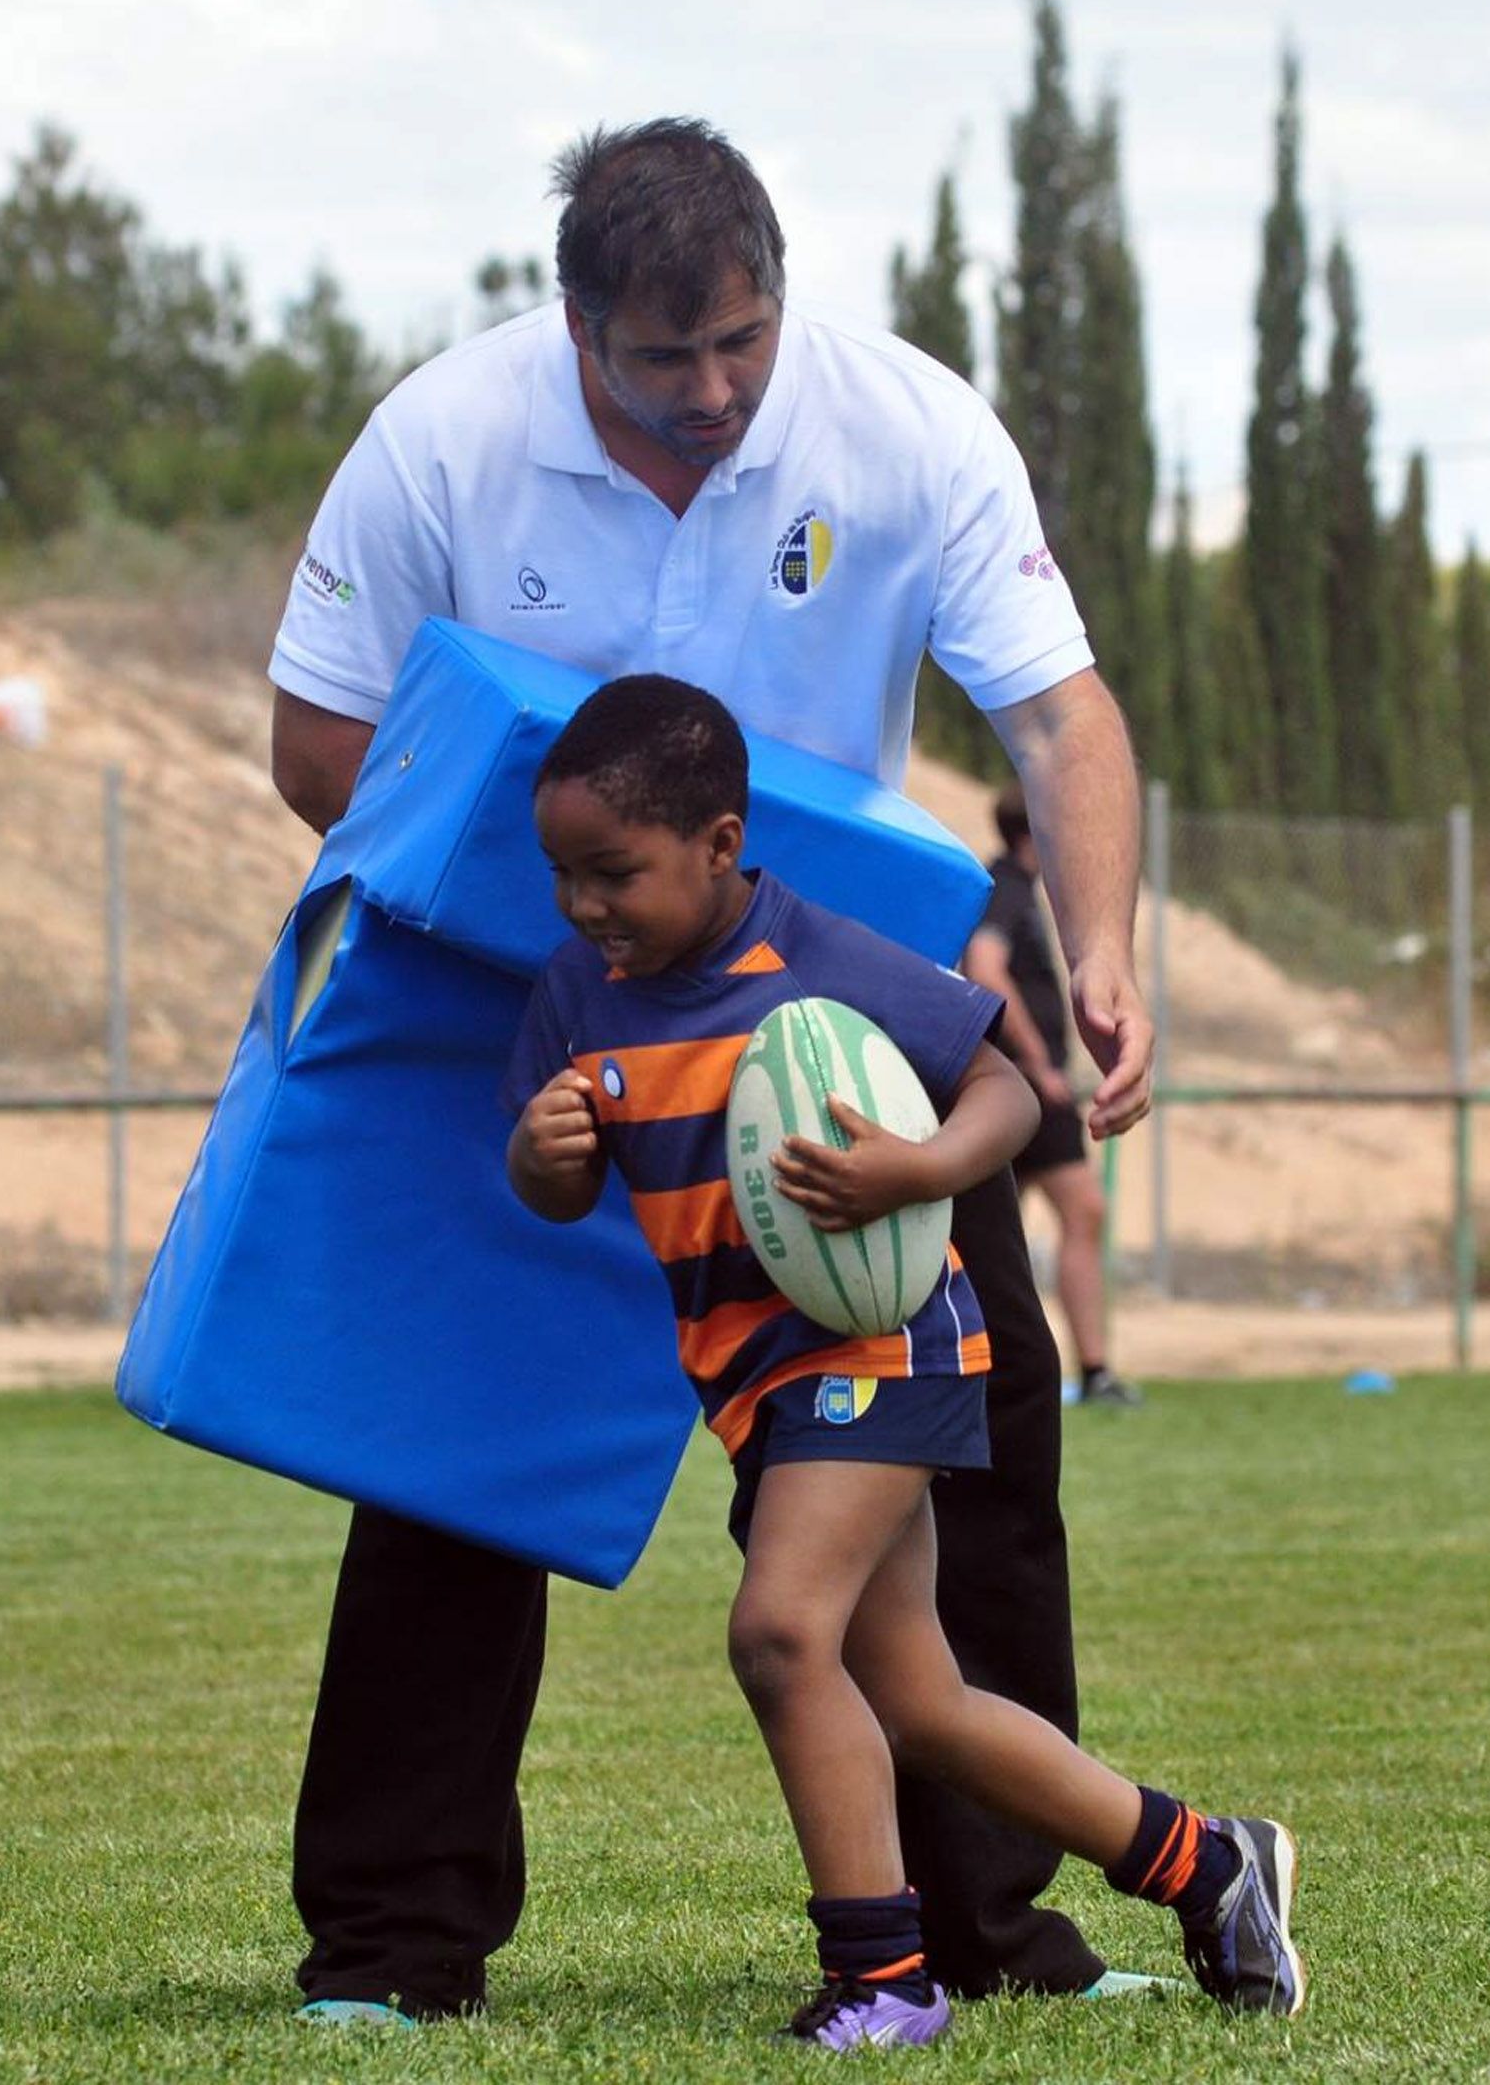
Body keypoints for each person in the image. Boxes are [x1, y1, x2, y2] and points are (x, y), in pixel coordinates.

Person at [267, 118, 1156, 2025]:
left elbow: (1061, 715)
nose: (714, 390)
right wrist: (580, 934)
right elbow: (316, 744)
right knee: (451, 1466)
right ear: (573, 323)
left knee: (974, 1461)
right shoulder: (442, 437)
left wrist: (1097, 943)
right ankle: (391, 1952)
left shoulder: (903, 430)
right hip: (556, 1013)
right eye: (662, 359)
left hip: (837, 1043)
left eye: (741, 339)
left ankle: (994, 1935)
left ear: (775, 288)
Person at [503, 674, 1304, 2047]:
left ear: (719, 842)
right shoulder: (579, 994)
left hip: (883, 1341)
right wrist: (545, 1153)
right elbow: (554, 1196)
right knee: (919, 1697)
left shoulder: (820, 953)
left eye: (614, 873)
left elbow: (1006, 1078)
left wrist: (920, 1163)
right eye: (562, 873)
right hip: (755, 1382)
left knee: (777, 1631)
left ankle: (884, 1978)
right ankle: (1206, 1861)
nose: (584, 904)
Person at [963, 781, 1142, 1407]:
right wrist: (1038, 1062)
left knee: (1033, 1222)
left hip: (1018, 1086)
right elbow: (984, 967)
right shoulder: (1005, 887)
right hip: (1022, 1087)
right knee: (1071, 1212)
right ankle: (1080, 1370)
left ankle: (1084, 1371)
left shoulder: (1015, 890)